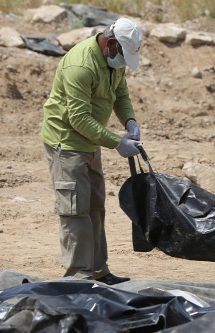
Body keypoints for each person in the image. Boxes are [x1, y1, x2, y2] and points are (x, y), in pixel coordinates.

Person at [41, 18, 145, 285]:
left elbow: (120, 95)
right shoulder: (81, 65)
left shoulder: (113, 60)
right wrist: (117, 143)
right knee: (75, 210)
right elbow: (78, 118)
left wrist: (130, 121)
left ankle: (99, 272)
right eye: (123, 55)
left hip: (91, 142)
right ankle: (79, 278)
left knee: (96, 206)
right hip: (67, 143)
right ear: (110, 44)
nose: (123, 63)